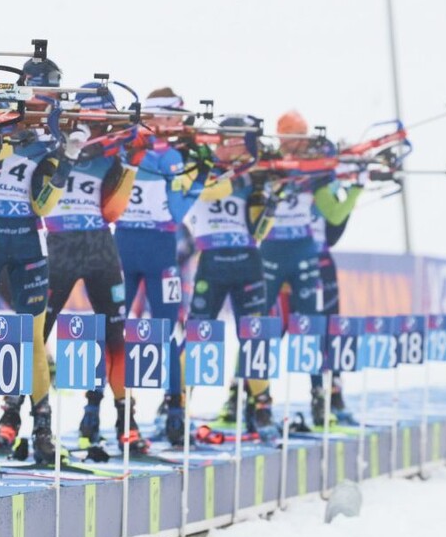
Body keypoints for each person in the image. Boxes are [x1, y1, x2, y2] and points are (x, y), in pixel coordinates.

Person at [0, 58, 71, 464]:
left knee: (34, 341)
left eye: (51, 97)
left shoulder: (48, 138)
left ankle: (42, 430)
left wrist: (62, 163)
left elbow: (43, 207)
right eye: (41, 95)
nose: (46, 104)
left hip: (26, 241)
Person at [41, 83, 150, 453]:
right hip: (59, 246)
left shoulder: (110, 153)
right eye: (93, 120)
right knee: (38, 332)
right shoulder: (52, 139)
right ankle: (23, 420)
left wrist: (132, 163)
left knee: (116, 336)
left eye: (105, 121)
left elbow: (112, 212)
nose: (99, 128)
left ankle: (124, 418)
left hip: (99, 245)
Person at [114, 88, 210, 446]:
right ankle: (163, 412)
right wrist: (199, 178)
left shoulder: (143, 149)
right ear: (154, 118)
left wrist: (198, 175)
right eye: (172, 119)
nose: (176, 126)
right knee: (136, 332)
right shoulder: (163, 154)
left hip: (140, 247)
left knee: (157, 332)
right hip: (146, 248)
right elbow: (177, 211)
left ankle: (167, 411)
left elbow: (175, 212)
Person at [259, 110, 361, 427]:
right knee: (262, 327)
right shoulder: (269, 161)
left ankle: (323, 396)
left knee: (314, 328)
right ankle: (251, 398)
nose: (296, 146)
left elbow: (334, 216)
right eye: (290, 138)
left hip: (309, 253)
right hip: (272, 251)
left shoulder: (317, 166)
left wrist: (354, 185)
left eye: (301, 138)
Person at [184, 116, 278, 441]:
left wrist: (270, 197)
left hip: (247, 262)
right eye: (228, 143)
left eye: (240, 144)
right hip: (212, 262)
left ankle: (261, 405)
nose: (232, 150)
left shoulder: (254, 177)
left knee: (254, 337)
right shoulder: (203, 169)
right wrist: (240, 176)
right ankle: (178, 403)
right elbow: (206, 194)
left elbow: (260, 231)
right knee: (198, 335)